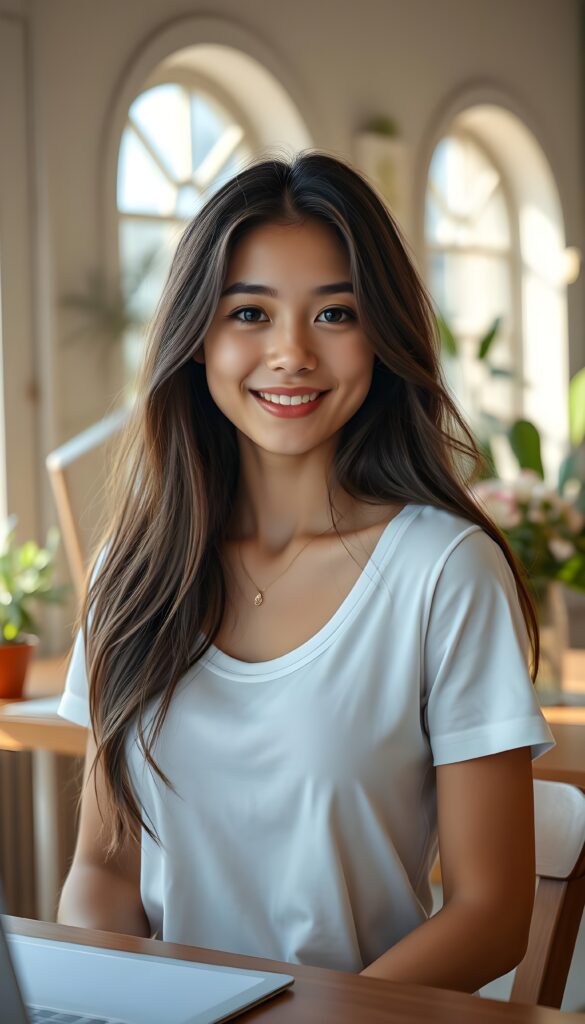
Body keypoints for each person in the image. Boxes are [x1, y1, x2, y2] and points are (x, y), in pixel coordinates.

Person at [57, 151, 555, 993]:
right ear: (196, 338)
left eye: (334, 313)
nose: (290, 353)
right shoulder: (130, 574)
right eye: (249, 311)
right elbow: (103, 877)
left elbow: (490, 913)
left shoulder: (444, 573)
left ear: (382, 336)